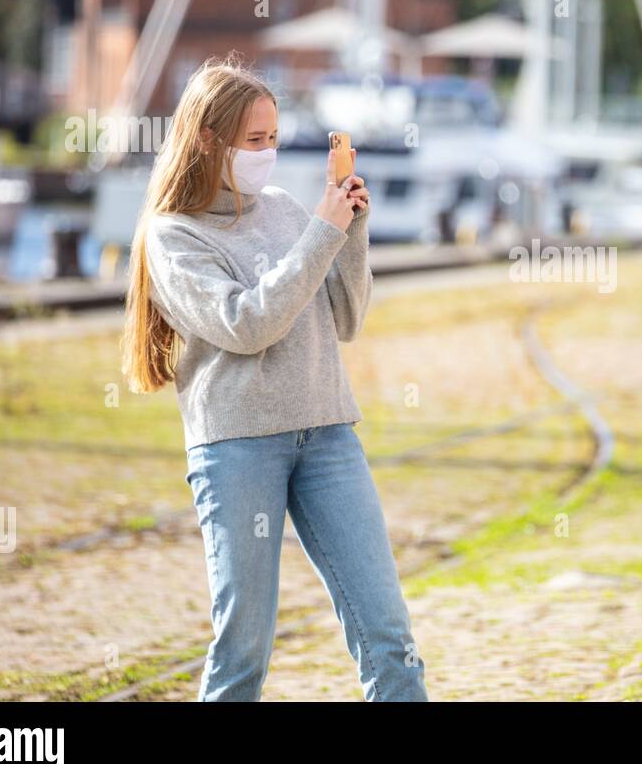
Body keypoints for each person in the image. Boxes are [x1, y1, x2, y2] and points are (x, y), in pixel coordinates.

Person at [120, 56, 427, 701]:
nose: (268, 153)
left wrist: (353, 229)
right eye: (254, 141)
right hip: (237, 447)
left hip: (327, 435)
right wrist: (323, 231)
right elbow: (249, 324)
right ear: (208, 141)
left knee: (390, 639)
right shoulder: (173, 236)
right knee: (244, 649)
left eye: (273, 139)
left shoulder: (288, 209)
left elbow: (346, 319)